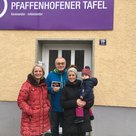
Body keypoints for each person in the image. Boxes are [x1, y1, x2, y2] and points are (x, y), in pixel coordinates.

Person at [17, 64, 51, 136]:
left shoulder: (44, 85)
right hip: (30, 119)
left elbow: (46, 98)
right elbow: (20, 101)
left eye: (40, 71)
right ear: (33, 72)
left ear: (43, 73)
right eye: (36, 71)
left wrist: (47, 107)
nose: (38, 73)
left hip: (42, 119)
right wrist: (31, 111)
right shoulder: (27, 85)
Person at [61, 66, 92, 136]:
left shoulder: (82, 86)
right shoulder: (65, 88)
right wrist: (75, 102)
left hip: (81, 120)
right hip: (69, 119)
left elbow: (90, 101)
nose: (71, 77)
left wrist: (85, 103)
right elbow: (63, 104)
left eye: (73, 75)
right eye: (69, 75)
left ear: (76, 76)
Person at [46, 57, 68, 136]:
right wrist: (52, 90)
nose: (60, 65)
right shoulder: (51, 75)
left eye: (62, 63)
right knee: (54, 128)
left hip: (67, 107)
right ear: (55, 64)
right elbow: (45, 88)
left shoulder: (69, 74)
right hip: (54, 107)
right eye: (58, 63)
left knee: (66, 129)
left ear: (65, 64)